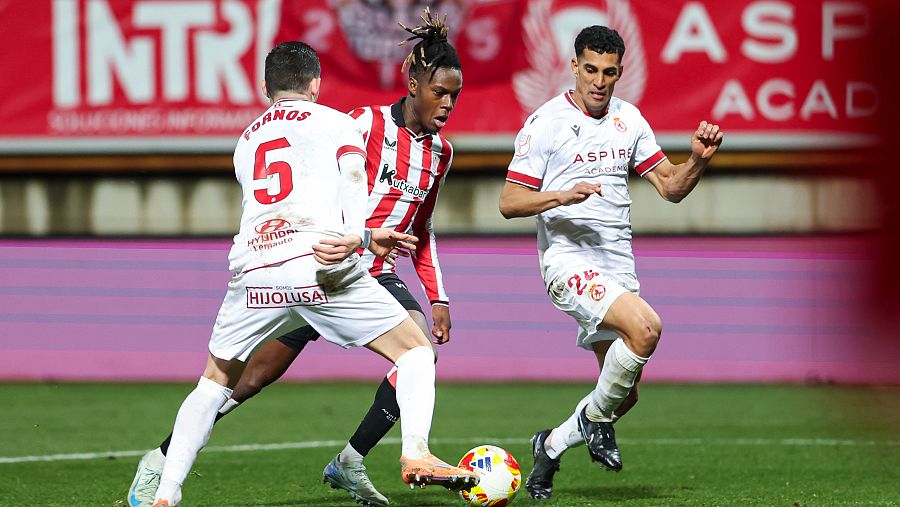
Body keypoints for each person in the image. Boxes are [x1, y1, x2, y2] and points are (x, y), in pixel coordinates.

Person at [128, 13, 466, 507]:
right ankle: (413, 452)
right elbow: (349, 179)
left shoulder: (247, 138)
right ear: (315, 84)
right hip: (331, 264)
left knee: (215, 380)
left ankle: (169, 487)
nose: (449, 104)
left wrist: (437, 293)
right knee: (408, 356)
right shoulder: (350, 122)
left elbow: (421, 224)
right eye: (441, 92)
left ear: (267, 88)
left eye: (455, 95)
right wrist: (361, 236)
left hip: (265, 267)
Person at [498, 25, 723, 500]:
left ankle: (550, 446)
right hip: (568, 260)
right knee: (646, 330)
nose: (599, 81)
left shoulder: (630, 120)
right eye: (592, 70)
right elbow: (509, 201)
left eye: (610, 73)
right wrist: (562, 194)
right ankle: (596, 422)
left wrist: (698, 161)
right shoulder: (545, 123)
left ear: (621, 72)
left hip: (618, 264)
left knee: (625, 393)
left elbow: (670, 187)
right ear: (574, 66)